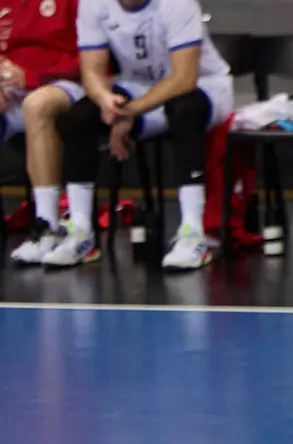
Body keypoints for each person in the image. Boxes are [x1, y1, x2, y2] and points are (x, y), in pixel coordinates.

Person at [41, 0, 232, 270]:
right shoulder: (94, 4)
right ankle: (81, 232)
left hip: (205, 87)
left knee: (184, 111)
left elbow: (184, 78)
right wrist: (106, 100)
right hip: (139, 87)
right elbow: (92, 71)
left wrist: (130, 112)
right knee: (80, 117)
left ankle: (193, 233)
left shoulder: (178, 4)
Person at [0, 0, 86, 266]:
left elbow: (92, 60)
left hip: (68, 84)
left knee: (36, 105)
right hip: (12, 89)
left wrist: (33, 77)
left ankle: (48, 225)